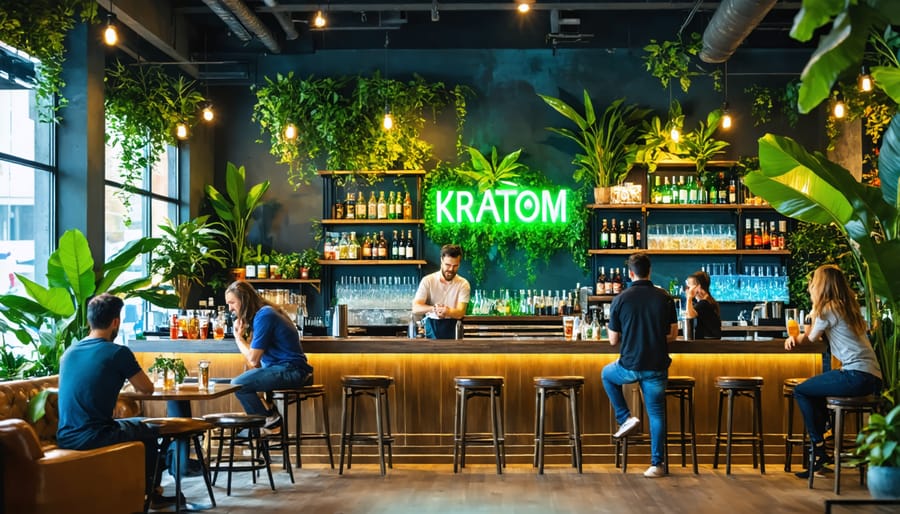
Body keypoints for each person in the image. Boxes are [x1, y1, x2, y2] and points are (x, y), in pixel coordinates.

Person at [56, 293, 162, 503]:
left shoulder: (69, 351)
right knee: (150, 429)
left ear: (89, 321)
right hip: (94, 436)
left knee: (134, 425)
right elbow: (147, 389)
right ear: (116, 322)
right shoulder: (117, 353)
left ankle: (136, 489)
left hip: (65, 436)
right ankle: (152, 494)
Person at [785, 264, 882, 479]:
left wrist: (794, 337)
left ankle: (819, 449)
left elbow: (809, 338)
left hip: (854, 375)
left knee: (801, 391)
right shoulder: (847, 307)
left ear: (821, 285)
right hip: (872, 377)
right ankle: (824, 437)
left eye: (813, 283)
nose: (811, 286)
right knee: (815, 389)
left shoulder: (826, 309)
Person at [601, 253, 678, 478]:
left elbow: (613, 340)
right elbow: (673, 335)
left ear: (630, 273)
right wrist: (652, 336)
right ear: (650, 271)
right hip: (656, 365)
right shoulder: (664, 297)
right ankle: (657, 465)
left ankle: (625, 418)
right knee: (656, 413)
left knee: (606, 374)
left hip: (629, 365)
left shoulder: (620, 299)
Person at [226, 280, 313, 430]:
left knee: (238, 385)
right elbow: (255, 363)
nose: (230, 309)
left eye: (232, 303)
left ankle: (266, 422)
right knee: (241, 382)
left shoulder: (265, 315)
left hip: (292, 370)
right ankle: (266, 419)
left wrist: (238, 338)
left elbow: (253, 360)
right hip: (286, 369)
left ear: (244, 300)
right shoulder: (264, 314)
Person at [412, 244, 471, 339]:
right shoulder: (428, 281)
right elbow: (416, 308)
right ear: (441, 261)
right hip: (431, 327)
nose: (451, 269)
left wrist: (447, 311)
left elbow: (460, 312)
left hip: (454, 329)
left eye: (455, 266)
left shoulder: (463, 284)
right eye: (448, 265)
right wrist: (434, 309)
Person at [684, 270, 722, 339]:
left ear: (698, 287)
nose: (687, 289)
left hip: (707, 345)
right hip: (710, 343)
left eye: (689, 287)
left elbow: (690, 316)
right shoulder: (707, 301)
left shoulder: (704, 303)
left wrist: (689, 297)